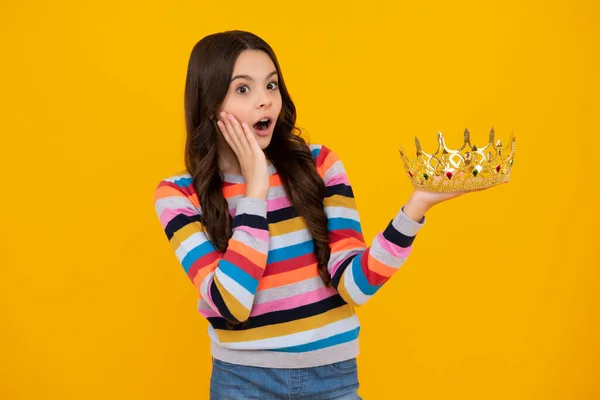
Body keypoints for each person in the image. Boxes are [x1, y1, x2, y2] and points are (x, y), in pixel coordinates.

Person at [153, 30, 486, 400]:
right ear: (210, 103)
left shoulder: (319, 165)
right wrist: (256, 190)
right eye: (243, 90)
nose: (265, 101)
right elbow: (232, 302)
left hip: (334, 380)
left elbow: (354, 286)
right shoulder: (178, 195)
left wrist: (416, 208)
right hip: (242, 384)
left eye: (272, 85)